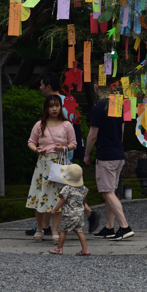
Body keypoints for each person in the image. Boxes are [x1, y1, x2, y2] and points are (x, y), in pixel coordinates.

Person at [37, 72, 99, 234]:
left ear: (48, 87)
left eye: (42, 84)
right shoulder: (69, 101)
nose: (40, 87)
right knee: (67, 188)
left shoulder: (51, 104)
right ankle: (88, 213)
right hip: (67, 154)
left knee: (49, 190)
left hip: (55, 155)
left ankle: (44, 227)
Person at [85, 87, 134, 241]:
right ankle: (109, 227)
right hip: (118, 153)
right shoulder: (120, 105)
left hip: (106, 155)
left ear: (97, 87)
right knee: (111, 191)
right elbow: (122, 131)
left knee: (107, 192)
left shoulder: (99, 107)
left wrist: (87, 154)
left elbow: (93, 135)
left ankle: (125, 226)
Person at [26, 95, 77, 240]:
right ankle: (40, 228)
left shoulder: (66, 125)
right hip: (43, 163)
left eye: (57, 105)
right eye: (51, 106)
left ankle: (55, 230)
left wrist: (64, 148)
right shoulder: (40, 124)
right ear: (46, 108)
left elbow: (74, 143)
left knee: (58, 198)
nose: (54, 109)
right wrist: (37, 150)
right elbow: (31, 142)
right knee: (40, 196)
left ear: (60, 107)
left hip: (59, 163)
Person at [48, 164, 91, 256]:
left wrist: (55, 210)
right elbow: (84, 200)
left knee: (63, 230)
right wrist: (83, 208)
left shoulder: (67, 188)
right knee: (79, 231)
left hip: (69, 214)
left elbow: (62, 200)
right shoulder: (83, 189)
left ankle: (59, 249)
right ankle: (85, 249)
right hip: (79, 213)